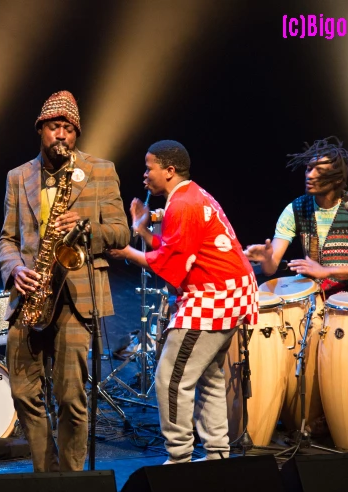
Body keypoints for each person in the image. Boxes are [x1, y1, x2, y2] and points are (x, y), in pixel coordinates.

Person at [0, 90, 130, 471]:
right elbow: (7, 239)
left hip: (76, 296)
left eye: (70, 129)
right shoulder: (17, 176)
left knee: (70, 395)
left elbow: (121, 232)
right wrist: (13, 270)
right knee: (22, 391)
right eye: (55, 127)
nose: (63, 135)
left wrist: (89, 229)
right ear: (41, 129)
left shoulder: (100, 170)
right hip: (31, 293)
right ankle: (47, 474)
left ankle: (72, 484)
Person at [109, 140, 258, 464]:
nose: (145, 174)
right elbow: (176, 248)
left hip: (213, 299)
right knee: (208, 376)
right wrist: (142, 230)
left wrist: (126, 251)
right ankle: (217, 456)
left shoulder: (184, 204)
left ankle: (179, 459)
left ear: (169, 170)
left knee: (170, 380)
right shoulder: (192, 195)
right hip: (229, 294)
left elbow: (172, 265)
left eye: (150, 168)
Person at [244, 136, 348, 293]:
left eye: (319, 171)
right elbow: (271, 268)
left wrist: (327, 271)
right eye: (309, 168)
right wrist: (266, 259)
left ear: (337, 179)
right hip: (316, 300)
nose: (310, 175)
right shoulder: (295, 209)